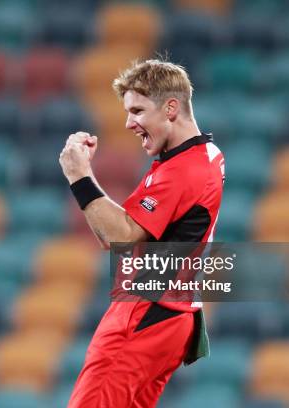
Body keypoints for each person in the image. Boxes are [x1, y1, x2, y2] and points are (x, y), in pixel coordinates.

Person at [59, 59, 225, 407]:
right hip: (174, 318)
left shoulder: (181, 170)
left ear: (170, 108)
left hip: (144, 312)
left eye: (137, 110)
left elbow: (119, 236)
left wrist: (79, 176)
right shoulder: (207, 155)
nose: (128, 123)